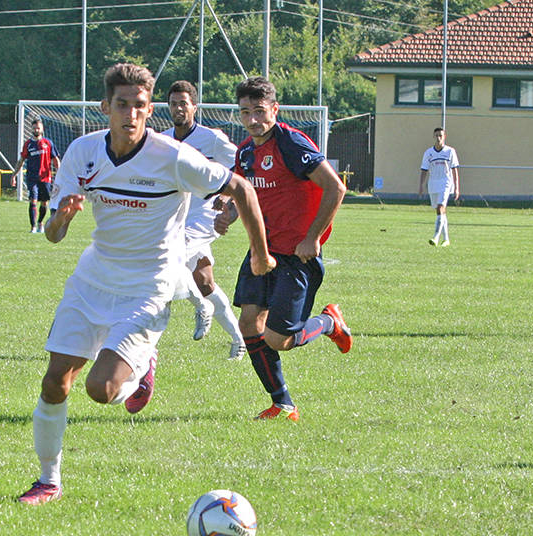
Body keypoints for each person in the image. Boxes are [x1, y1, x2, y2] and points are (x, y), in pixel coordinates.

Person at [18, 63, 276, 505]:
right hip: (92, 281)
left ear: (149, 109)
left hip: (147, 288)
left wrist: (260, 252)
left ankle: (141, 365)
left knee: (100, 390)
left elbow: (242, 189)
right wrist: (60, 218)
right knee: (54, 383)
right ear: (105, 108)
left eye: (140, 106)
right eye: (122, 105)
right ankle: (48, 481)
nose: (131, 115)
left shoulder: (171, 156)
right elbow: (54, 235)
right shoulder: (83, 152)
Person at [224, 76, 351, 422]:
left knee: (279, 338)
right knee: (249, 323)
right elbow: (243, 194)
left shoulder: (291, 143)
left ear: (274, 110)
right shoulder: (246, 151)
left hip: (297, 255)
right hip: (262, 250)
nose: (252, 120)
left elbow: (335, 188)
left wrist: (312, 237)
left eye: (260, 111)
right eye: (245, 112)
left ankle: (328, 322)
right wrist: (228, 214)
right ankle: (283, 404)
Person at [162, 80, 247, 360]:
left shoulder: (212, 138)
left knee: (167, 261)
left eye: (183, 103)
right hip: (176, 219)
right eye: (174, 104)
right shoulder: (162, 140)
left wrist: (229, 197)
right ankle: (239, 340)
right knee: (204, 280)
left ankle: (201, 306)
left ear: (194, 107)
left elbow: (243, 164)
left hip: (204, 217)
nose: (178, 109)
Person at [9, 117, 61, 234]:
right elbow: (21, 160)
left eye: (38, 128)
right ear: (32, 129)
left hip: (45, 178)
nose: (36, 130)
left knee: (44, 202)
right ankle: (32, 227)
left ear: (42, 129)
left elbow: (55, 160)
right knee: (33, 200)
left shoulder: (48, 143)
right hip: (32, 178)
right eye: (34, 128)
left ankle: (40, 223)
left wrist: (61, 174)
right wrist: (14, 175)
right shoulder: (28, 144)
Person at [418, 127, 459, 247]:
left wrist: (457, 187)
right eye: (436, 135)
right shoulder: (428, 153)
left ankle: (435, 237)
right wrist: (421, 186)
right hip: (433, 183)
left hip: (446, 182)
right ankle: (446, 239)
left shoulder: (450, 151)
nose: (438, 138)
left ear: (444, 137)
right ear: (433, 137)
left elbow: (455, 170)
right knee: (439, 211)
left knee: (441, 207)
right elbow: (424, 170)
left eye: (440, 135)